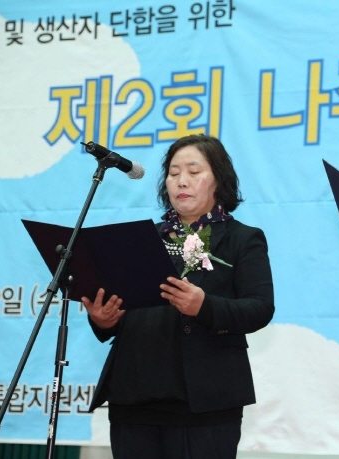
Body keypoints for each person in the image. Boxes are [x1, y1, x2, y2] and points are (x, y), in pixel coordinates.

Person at [81, 134, 274, 459]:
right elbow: (124, 310)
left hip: (204, 404)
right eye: (173, 173)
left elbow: (260, 308)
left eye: (194, 172)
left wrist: (205, 306)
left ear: (219, 180)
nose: (181, 181)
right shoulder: (140, 239)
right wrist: (104, 321)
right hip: (134, 399)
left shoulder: (242, 239)